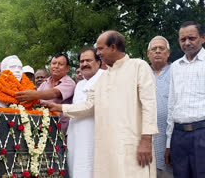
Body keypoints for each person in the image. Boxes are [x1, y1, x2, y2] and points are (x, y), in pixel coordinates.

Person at [45, 30, 158, 178]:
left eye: (100, 48)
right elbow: (89, 106)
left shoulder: (138, 66)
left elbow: (149, 104)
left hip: (133, 145)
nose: (98, 53)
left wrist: (146, 140)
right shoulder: (103, 78)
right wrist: (59, 107)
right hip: (108, 147)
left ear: (113, 47)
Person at [165, 21, 205, 178]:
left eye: (192, 38)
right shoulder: (175, 66)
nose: (187, 43)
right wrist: (169, 143)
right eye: (183, 39)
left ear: (202, 38)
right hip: (179, 136)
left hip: (202, 133)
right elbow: (171, 105)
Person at [15, 53, 76, 135]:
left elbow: (54, 93)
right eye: (54, 63)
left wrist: (33, 95)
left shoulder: (70, 83)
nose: (56, 66)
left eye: (60, 64)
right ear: (50, 66)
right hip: (41, 129)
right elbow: (36, 99)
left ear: (67, 68)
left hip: (60, 132)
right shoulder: (45, 82)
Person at [68, 47, 104, 178]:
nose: (84, 64)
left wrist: (59, 108)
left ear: (98, 62)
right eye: (82, 61)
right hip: (76, 137)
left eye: (88, 60)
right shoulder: (79, 84)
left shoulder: (104, 78)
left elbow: (90, 108)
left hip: (94, 136)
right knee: (76, 169)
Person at [147, 36, 173, 178]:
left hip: (170, 139)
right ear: (148, 54)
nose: (157, 51)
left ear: (168, 53)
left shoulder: (176, 71)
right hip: (145, 141)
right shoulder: (141, 74)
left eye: (161, 49)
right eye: (154, 49)